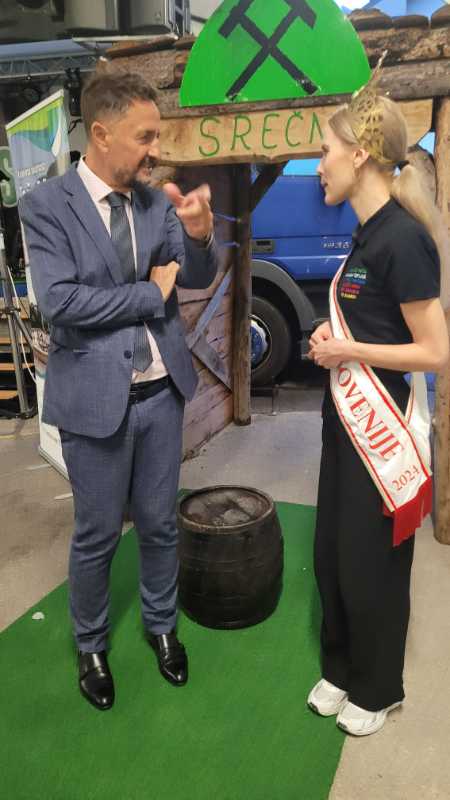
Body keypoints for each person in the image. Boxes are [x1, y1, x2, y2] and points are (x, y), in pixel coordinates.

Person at [19, 71, 218, 711]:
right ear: (101, 135)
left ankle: (162, 627)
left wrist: (199, 235)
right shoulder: (46, 206)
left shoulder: (155, 203)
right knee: (98, 532)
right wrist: (149, 294)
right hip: (92, 401)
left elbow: (196, 275)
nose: (155, 149)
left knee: (159, 524)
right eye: (144, 137)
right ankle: (91, 645)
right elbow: (61, 302)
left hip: (161, 394)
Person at [306, 61, 448, 736]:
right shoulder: (364, 235)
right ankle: (340, 668)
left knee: (373, 564)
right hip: (343, 426)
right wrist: (331, 338)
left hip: (382, 432)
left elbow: (435, 351)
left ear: (359, 154)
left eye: (325, 152)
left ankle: (378, 685)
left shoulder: (404, 239)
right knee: (332, 552)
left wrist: (349, 350)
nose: (318, 167)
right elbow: (368, 323)